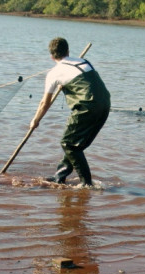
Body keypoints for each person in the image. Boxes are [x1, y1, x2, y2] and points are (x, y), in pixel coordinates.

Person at [30, 37, 110, 186]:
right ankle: (60, 177)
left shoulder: (54, 73)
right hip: (105, 104)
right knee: (76, 145)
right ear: (68, 51)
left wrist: (35, 120)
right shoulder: (84, 62)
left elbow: (44, 103)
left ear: (51, 56)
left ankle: (86, 184)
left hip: (87, 106)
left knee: (68, 144)